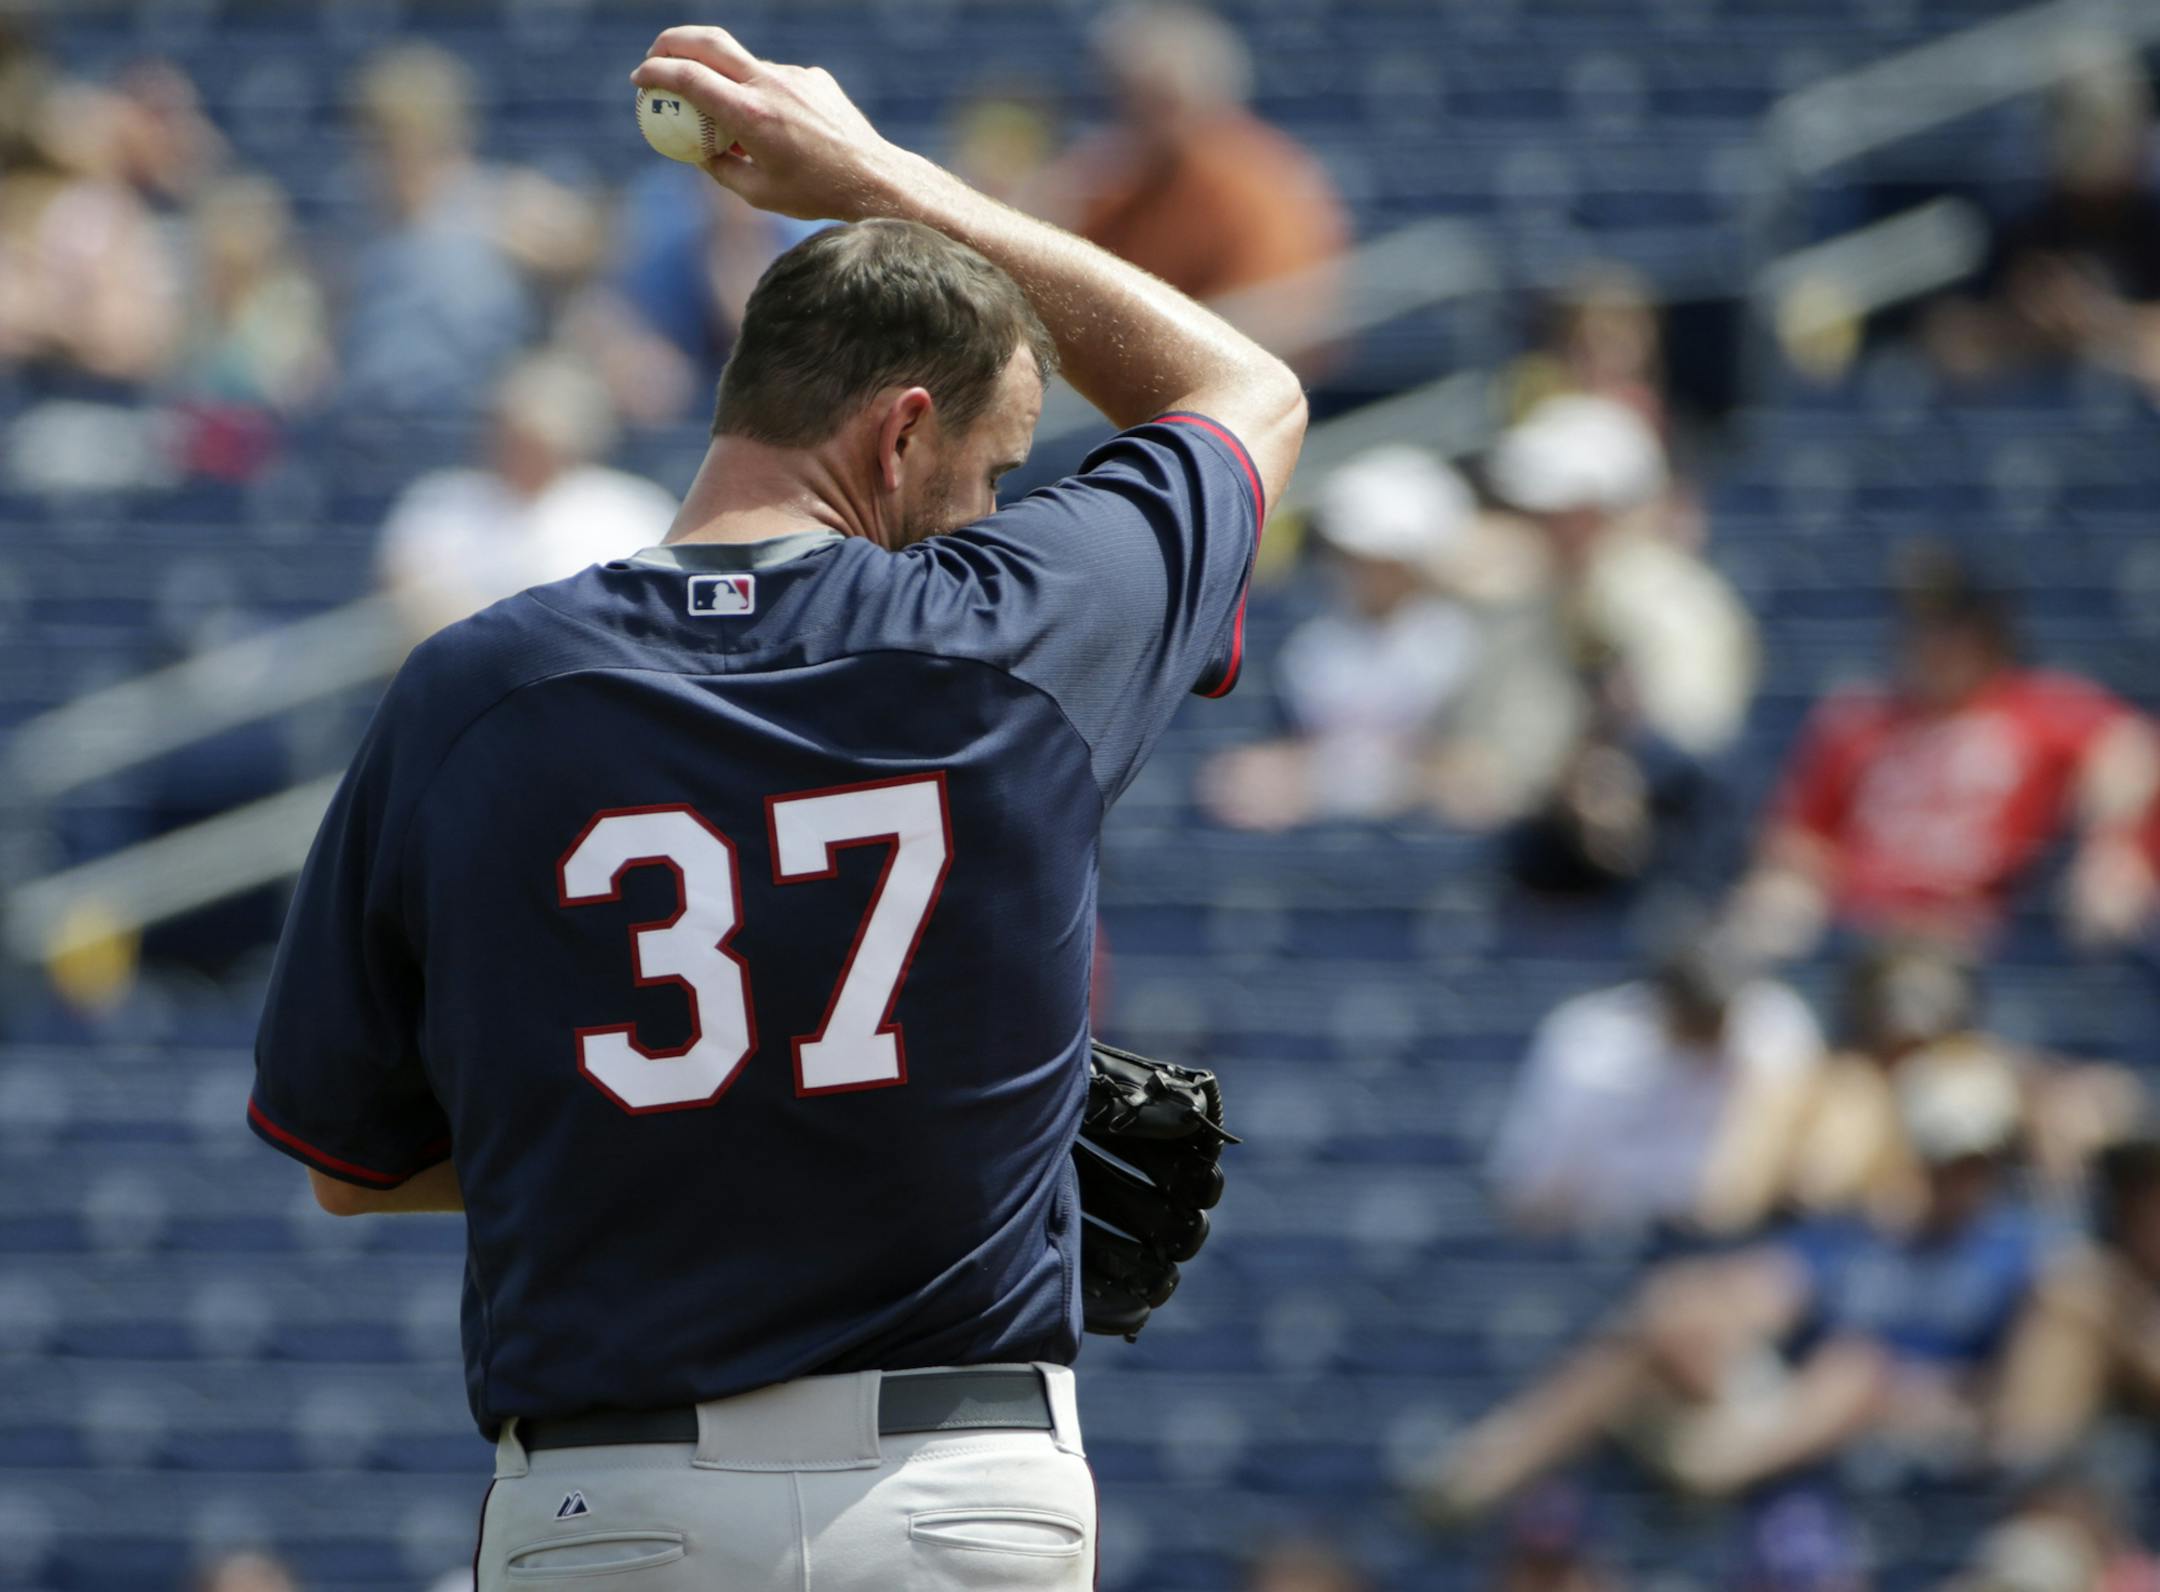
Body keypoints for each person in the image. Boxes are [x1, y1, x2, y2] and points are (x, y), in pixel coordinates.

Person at [247, 23, 1305, 1592]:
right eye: (997, 465)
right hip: (963, 1495)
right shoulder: (1008, 635)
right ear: (903, 431)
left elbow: (350, 1158)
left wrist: (667, 1111)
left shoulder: (472, 693)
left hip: (613, 1505)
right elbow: (1246, 384)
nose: (1000, 504)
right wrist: (877, 177)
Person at [1426, 1048, 2053, 1517]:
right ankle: (1479, 1476)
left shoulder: (2022, 1248)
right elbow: (1766, 1288)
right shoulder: (1867, 1234)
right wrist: (1702, 1305)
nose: (1958, 1179)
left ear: (1998, 1163)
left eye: (1974, 1164)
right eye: (1946, 1160)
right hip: (1804, 1411)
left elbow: (2029, 1382)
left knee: (1855, 1368)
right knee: (1673, 1307)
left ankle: (1705, 1474)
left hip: (1937, 1420)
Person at [1729, 549, 2158, 959]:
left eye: (1949, 627)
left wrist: (2111, 845)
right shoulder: (1859, 718)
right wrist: (1799, 878)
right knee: (1770, 907)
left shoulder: (2038, 707)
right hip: (1864, 929)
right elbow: (1797, 834)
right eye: (1922, 625)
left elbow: (2127, 751)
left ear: (1987, 635)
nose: (1931, 643)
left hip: (1990, 926)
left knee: (2114, 895)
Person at [1199, 445, 1485, 830]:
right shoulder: (1307, 632)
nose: (1363, 571)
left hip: (1422, 824)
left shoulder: (1457, 638)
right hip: (1314, 822)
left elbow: (1470, 768)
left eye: (1385, 560)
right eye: (1355, 555)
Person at [1040, 1, 1347, 357]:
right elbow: (1067, 284)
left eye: (1158, 101)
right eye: (1125, 101)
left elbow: (1278, 323)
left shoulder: (1259, 183)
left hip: (1229, 390)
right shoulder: (1120, 180)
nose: (1138, 119)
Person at [1486, 934, 1825, 1240]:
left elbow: (1803, 1158)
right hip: (1612, 1235)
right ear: (1664, 1005)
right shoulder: (1591, 1046)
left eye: (1718, 1016)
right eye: (1698, 1015)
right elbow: (1529, 1191)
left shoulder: (1771, 1026)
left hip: (1743, 1234)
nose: (1708, 1028)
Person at [375, 350, 678, 641]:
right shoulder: (440, 502)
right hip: (461, 676)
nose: (520, 454)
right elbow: (409, 595)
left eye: (537, 442)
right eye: (511, 437)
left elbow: (646, 609)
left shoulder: (631, 509)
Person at [1924, 42, 2160, 394]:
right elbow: (1945, 343)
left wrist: (2101, 320)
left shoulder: (2150, 214)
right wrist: (2017, 324)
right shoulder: (2021, 217)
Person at [1992, 1137, 2160, 1469]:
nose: (2140, 1211)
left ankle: (2024, 1476)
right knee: (2072, 1301)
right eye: (2135, 1195)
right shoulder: (2097, 1280)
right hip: (2099, 1458)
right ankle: (2021, 1477)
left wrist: (2124, 1329)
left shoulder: (2110, 1299)